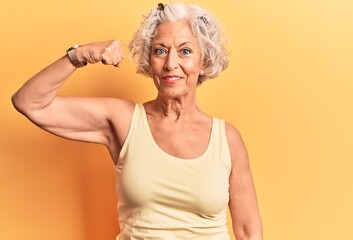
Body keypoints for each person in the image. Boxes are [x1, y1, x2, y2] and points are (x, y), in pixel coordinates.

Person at [12, 2, 262, 240]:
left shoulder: (227, 139)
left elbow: (249, 232)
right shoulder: (125, 122)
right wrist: (81, 54)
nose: (170, 64)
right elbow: (29, 102)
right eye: (160, 51)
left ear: (204, 61)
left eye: (185, 51)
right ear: (149, 60)